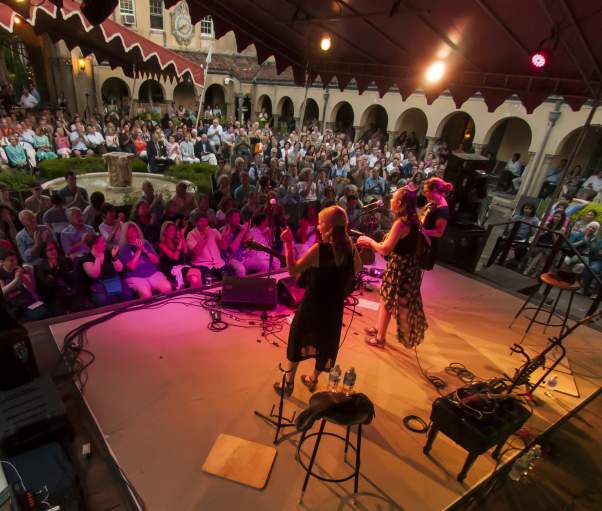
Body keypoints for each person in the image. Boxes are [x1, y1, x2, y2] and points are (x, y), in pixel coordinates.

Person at [275, 206, 362, 394]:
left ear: (329, 226)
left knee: (298, 339)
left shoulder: (319, 250)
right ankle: (313, 380)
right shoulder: (351, 249)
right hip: (333, 308)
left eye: (321, 222)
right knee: (325, 342)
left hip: (312, 306)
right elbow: (356, 269)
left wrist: (289, 244)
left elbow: (292, 270)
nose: (317, 226)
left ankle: (288, 384)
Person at [358, 186, 428, 349]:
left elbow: (384, 249)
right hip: (408, 265)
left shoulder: (401, 224)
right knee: (385, 299)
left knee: (387, 301)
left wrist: (368, 241)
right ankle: (378, 328)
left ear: (401, 204)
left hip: (400, 266)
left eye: (394, 198)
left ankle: (380, 338)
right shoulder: (413, 218)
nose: (391, 200)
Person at [119, 222, 172, 298]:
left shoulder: (145, 243)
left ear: (137, 233)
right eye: (129, 233)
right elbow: (131, 267)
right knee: (146, 295)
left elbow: (156, 260)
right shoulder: (124, 248)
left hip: (152, 273)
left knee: (167, 288)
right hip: (136, 276)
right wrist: (139, 251)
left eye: (134, 232)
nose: (132, 234)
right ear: (126, 235)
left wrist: (145, 251)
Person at [34, 241, 87, 315]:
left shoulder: (62, 260)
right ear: (44, 252)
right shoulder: (40, 267)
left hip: (66, 290)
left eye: (54, 249)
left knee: (80, 303)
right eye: (50, 250)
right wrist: (55, 271)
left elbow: (70, 278)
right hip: (52, 295)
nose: (53, 251)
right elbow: (48, 284)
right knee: (59, 310)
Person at [81, 234, 133, 306]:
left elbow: (120, 269)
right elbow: (95, 274)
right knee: (104, 300)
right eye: (102, 242)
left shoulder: (108, 253)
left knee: (128, 295)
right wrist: (98, 258)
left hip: (114, 280)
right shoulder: (86, 258)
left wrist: (114, 257)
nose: (104, 243)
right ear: (94, 245)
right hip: (99, 284)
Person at [0, 247, 48, 321]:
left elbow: (32, 289)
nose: (15, 262)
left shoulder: (19, 270)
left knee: (42, 312)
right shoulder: (1, 273)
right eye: (11, 261)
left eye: (16, 259)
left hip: (26, 303)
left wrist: (23, 277)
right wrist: (16, 280)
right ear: (2, 262)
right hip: (12, 306)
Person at [419, 177, 452, 269]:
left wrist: (421, 230)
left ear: (433, 190)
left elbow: (439, 233)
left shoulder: (442, 210)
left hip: (427, 247)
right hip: (421, 244)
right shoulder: (433, 203)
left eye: (426, 191)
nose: (424, 194)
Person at [186, 214, 230, 284]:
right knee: (206, 280)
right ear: (196, 223)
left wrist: (224, 236)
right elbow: (196, 252)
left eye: (205, 221)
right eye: (201, 221)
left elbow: (224, 247)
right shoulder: (191, 235)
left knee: (230, 274)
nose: (204, 223)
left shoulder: (214, 231)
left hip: (218, 263)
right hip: (202, 264)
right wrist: (205, 236)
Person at [158, 220, 202, 288]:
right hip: (171, 270)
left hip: (181, 267)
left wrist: (182, 236)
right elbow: (174, 257)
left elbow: (185, 251)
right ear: (165, 232)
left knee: (194, 279)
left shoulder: (176, 242)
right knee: (197, 271)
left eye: (174, 230)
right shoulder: (161, 245)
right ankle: (200, 294)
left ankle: (196, 296)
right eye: (171, 230)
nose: (173, 232)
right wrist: (179, 243)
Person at [220, 209, 250, 277]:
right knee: (241, 269)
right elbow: (232, 249)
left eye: (239, 217)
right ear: (229, 219)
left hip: (243, 256)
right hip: (230, 259)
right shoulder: (225, 229)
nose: (238, 219)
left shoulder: (240, 227)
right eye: (235, 217)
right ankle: (240, 287)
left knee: (265, 264)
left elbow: (246, 245)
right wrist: (242, 232)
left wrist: (247, 231)